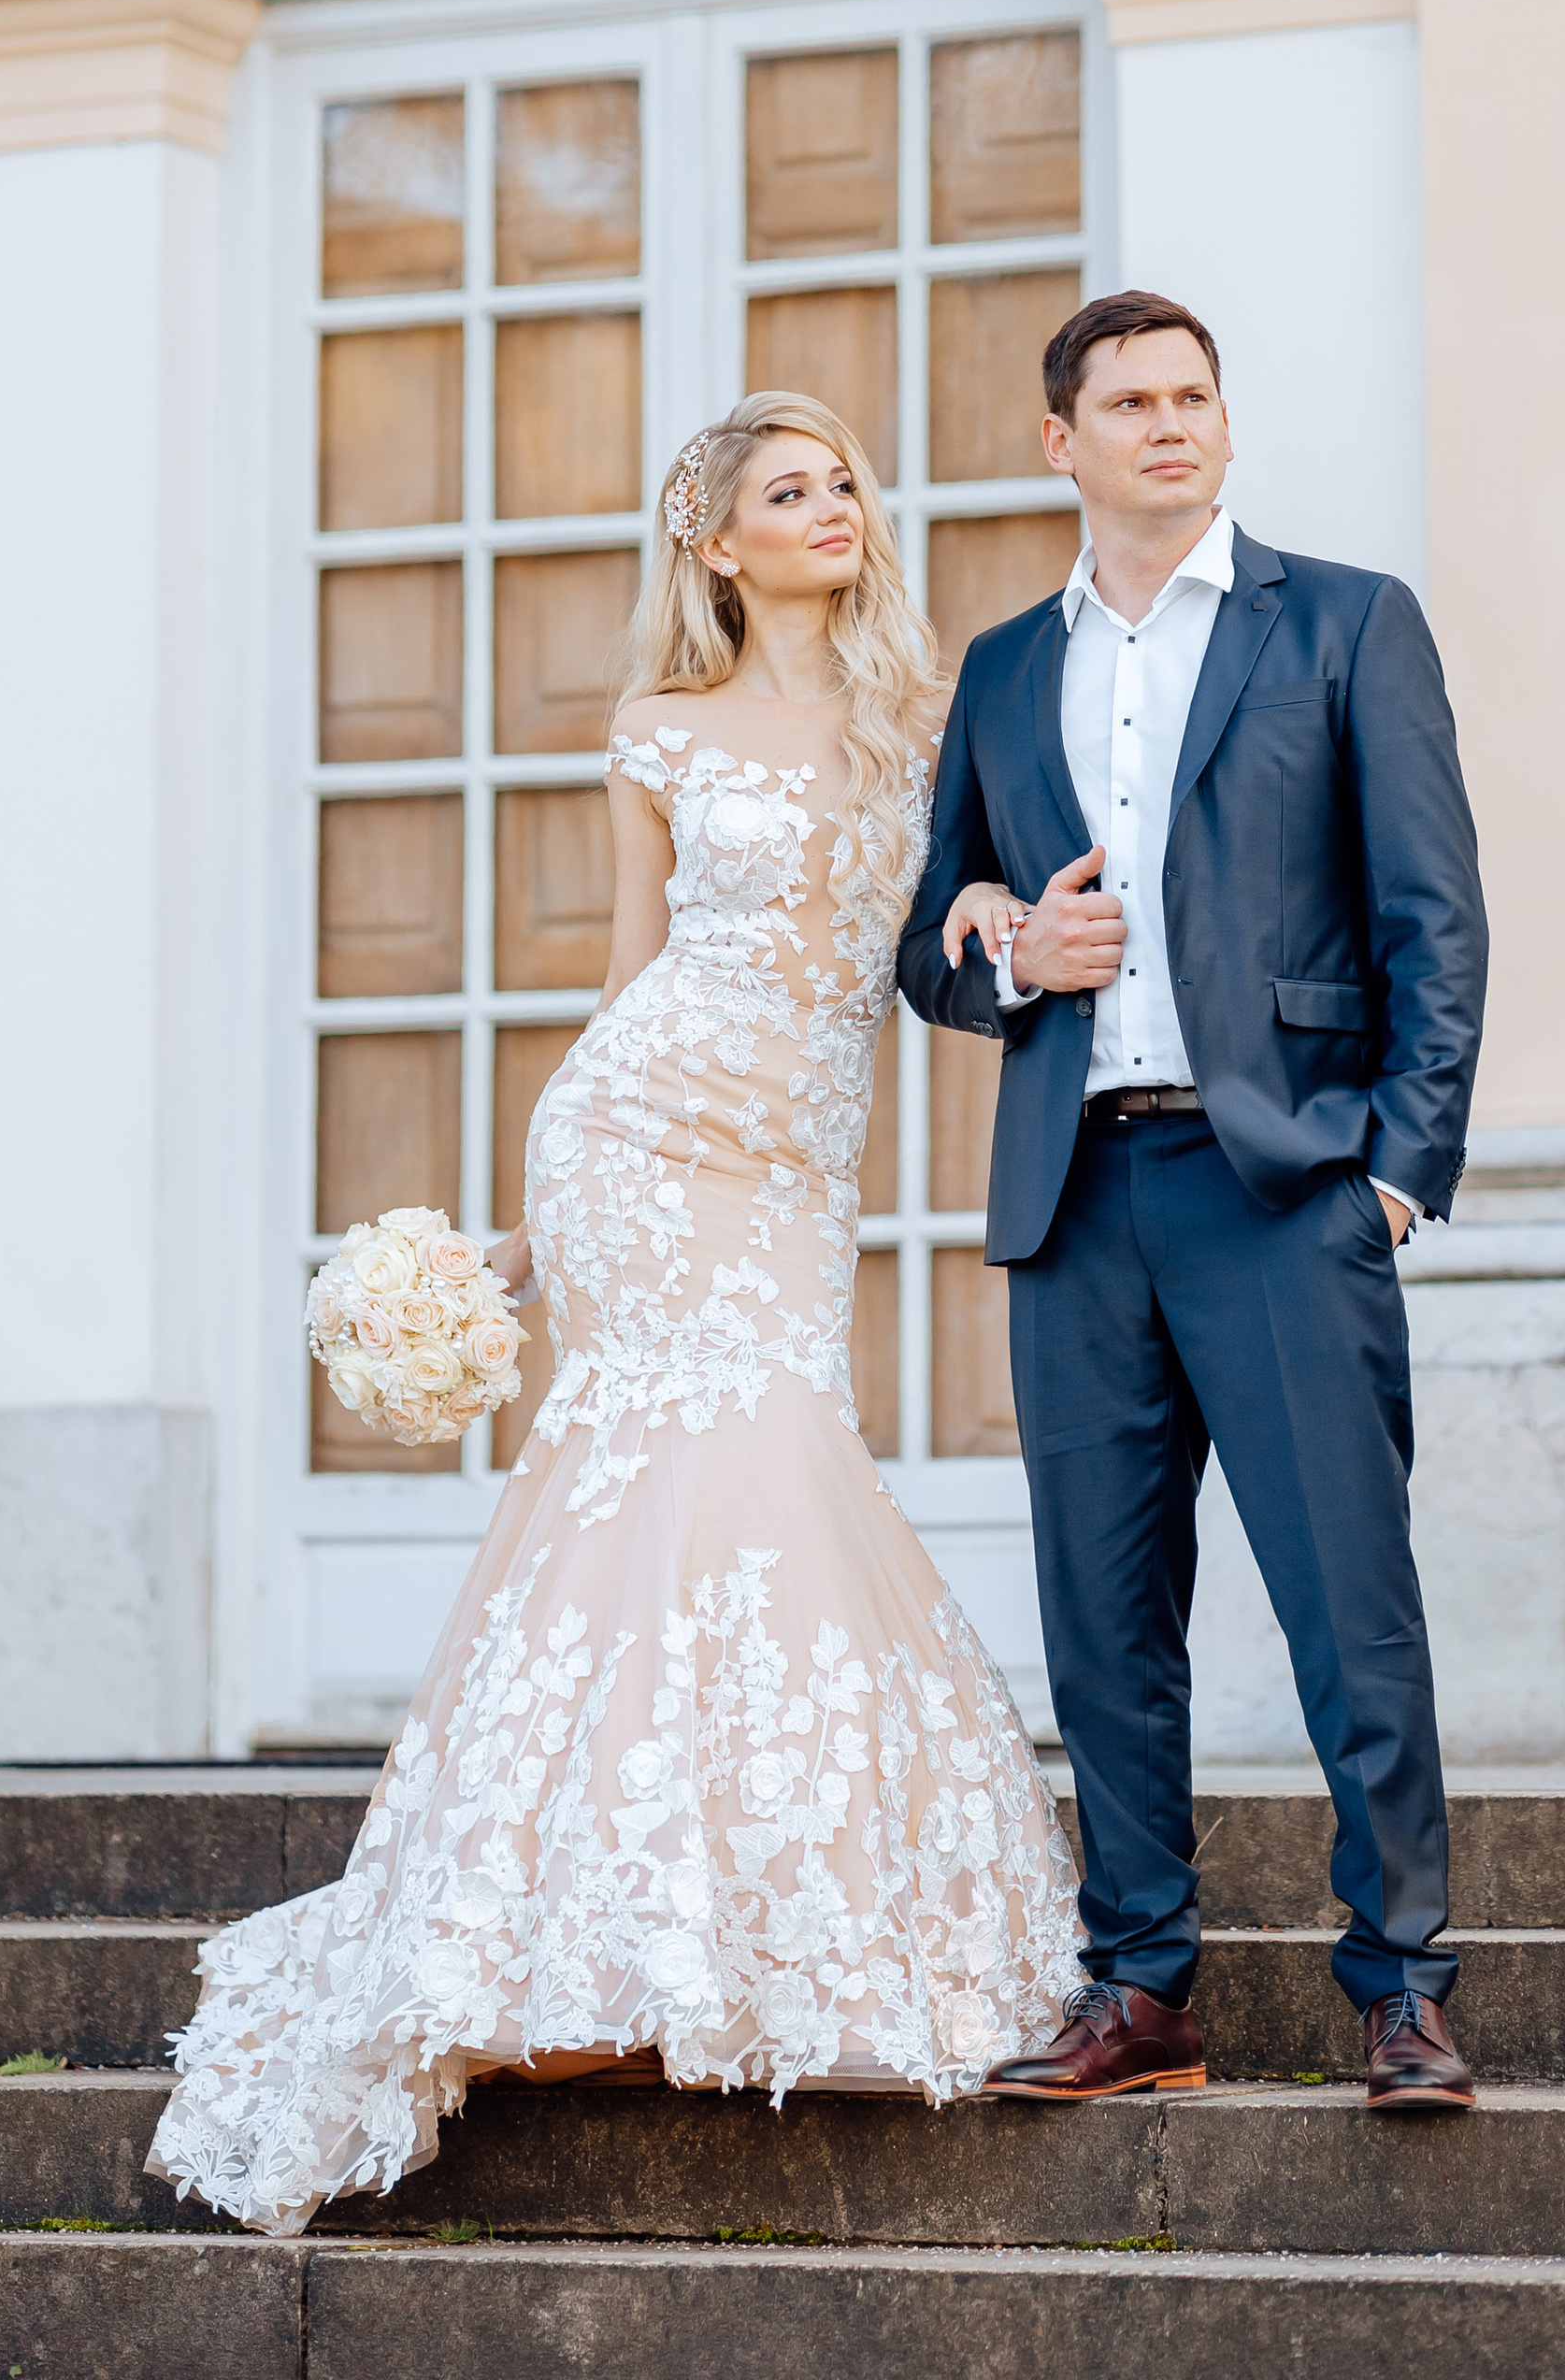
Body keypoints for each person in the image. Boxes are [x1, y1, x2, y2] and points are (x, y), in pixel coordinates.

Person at [150, 394, 1082, 2237]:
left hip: (792, 1176)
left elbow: (937, 916)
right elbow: (623, 975)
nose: (831, 511)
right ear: (716, 547)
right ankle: (600, 1948)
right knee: (668, 1486)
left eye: (840, 486)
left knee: (767, 1478)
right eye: (787, 494)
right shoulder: (653, 731)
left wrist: (986, 908)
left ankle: (733, 1935)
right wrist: (525, 1224)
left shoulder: (926, 712)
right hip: (638, 1147)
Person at [897, 291, 1488, 2115]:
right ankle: (1139, 1987)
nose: (1168, 424)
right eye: (1127, 402)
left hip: (1281, 1190)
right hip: (1075, 1197)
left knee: (1346, 1604)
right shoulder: (1002, 669)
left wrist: (1395, 1177)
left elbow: (1431, 922)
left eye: (1192, 397)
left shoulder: (1344, 624)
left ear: (1222, 427)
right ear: (1055, 442)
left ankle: (1401, 1988)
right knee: (1100, 1616)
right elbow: (936, 935)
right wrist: (1014, 950)